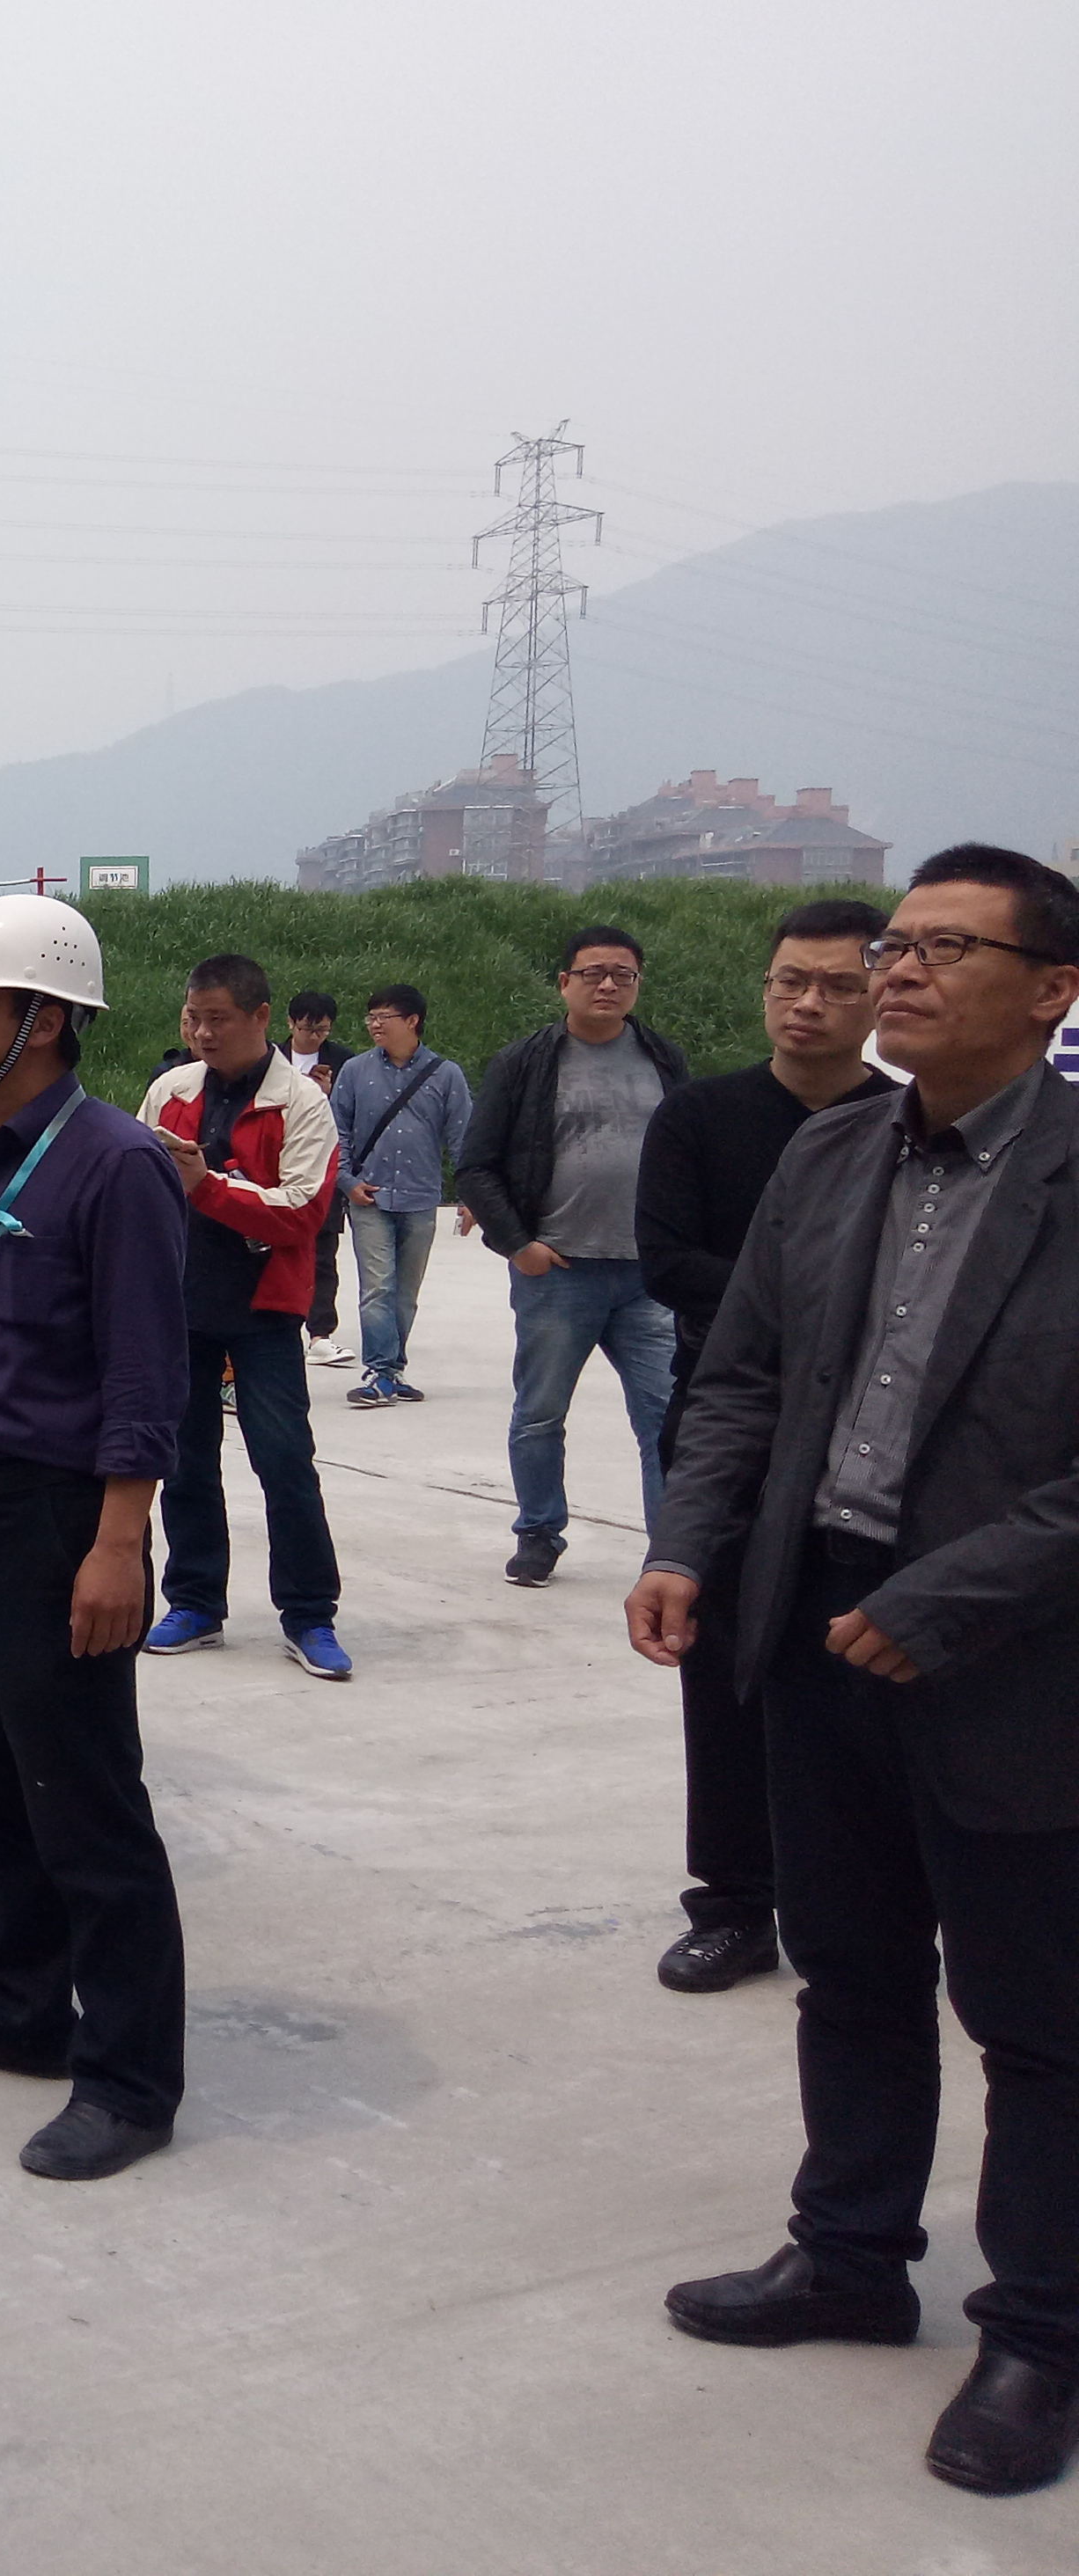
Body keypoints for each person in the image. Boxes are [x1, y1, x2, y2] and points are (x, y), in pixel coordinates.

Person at [628, 845, 1079, 2500]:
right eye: (899, 941)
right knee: (850, 1969)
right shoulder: (828, 1157)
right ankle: (849, 2255)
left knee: (1037, 2019)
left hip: (1012, 1658)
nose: (900, 971)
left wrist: (948, 1600)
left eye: (948, 949)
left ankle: (1040, 2335)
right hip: (812, 1633)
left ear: (1051, 990)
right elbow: (741, 1379)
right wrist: (689, 1542)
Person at [0, 893, 190, 2182]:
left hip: (56, 1520)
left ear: (46, 1020)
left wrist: (118, 1544)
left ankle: (127, 2078)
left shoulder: (113, 1164)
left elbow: (145, 1375)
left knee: (86, 1803)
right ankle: (22, 2004)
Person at [632, 897, 892, 1995]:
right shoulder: (698, 1117)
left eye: (835, 985)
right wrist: (804, 1312)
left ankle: (873, 1901)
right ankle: (734, 1904)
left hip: (873, 1436)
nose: (807, 1003)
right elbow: (664, 1262)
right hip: (730, 1423)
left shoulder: (907, 1126)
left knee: (865, 1672)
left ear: (878, 997)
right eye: (790, 981)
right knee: (723, 1666)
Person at [137, 955, 353, 1681]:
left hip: (264, 1314)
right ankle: (195, 1603)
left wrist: (207, 1187)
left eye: (218, 1019)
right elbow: (138, 1185)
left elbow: (303, 1212)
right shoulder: (170, 1091)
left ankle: (310, 1613)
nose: (203, 1033)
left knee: (285, 1462)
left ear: (261, 1018)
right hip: (181, 1305)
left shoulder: (302, 1103)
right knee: (184, 1461)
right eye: (193, 1018)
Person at [456, 923, 688, 1587]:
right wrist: (518, 1245)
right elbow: (476, 1165)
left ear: (638, 984)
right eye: (593, 973)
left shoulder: (663, 1058)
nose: (608, 985)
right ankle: (538, 1533)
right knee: (540, 1414)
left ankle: (672, 1554)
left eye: (623, 974)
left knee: (667, 1418)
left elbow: (690, 1156)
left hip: (647, 1277)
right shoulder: (526, 1063)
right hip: (559, 1273)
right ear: (565, 983)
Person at [330, 984, 474, 1409]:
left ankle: (392, 1371)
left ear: (412, 1021)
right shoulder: (354, 1071)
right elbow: (335, 1131)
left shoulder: (445, 1075)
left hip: (420, 1196)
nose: (375, 1025)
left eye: (384, 1017)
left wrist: (471, 1194)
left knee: (406, 1292)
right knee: (377, 1287)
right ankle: (379, 1371)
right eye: (371, 1017)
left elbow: (464, 1139)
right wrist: (346, 1181)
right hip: (368, 1197)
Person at [283, 992, 354, 1365]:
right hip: (278, 1168)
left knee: (324, 1255)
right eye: (307, 1028)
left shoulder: (345, 1063)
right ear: (291, 1024)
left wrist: (327, 1095)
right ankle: (281, 1327)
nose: (314, 1037)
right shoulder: (270, 1059)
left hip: (323, 1167)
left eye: (322, 1030)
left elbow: (351, 1115)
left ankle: (321, 1333)